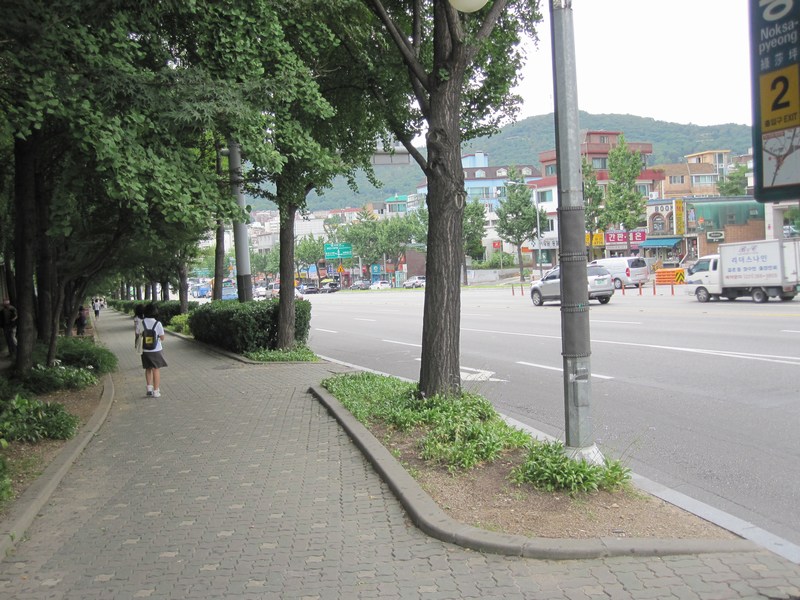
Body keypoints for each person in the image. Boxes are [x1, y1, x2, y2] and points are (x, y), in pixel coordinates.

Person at [139, 303, 167, 397]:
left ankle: (149, 388)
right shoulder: (158, 323)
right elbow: (162, 338)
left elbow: (138, 334)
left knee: (148, 369)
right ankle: (156, 391)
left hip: (145, 350)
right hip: (156, 350)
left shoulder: (141, 323)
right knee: (156, 369)